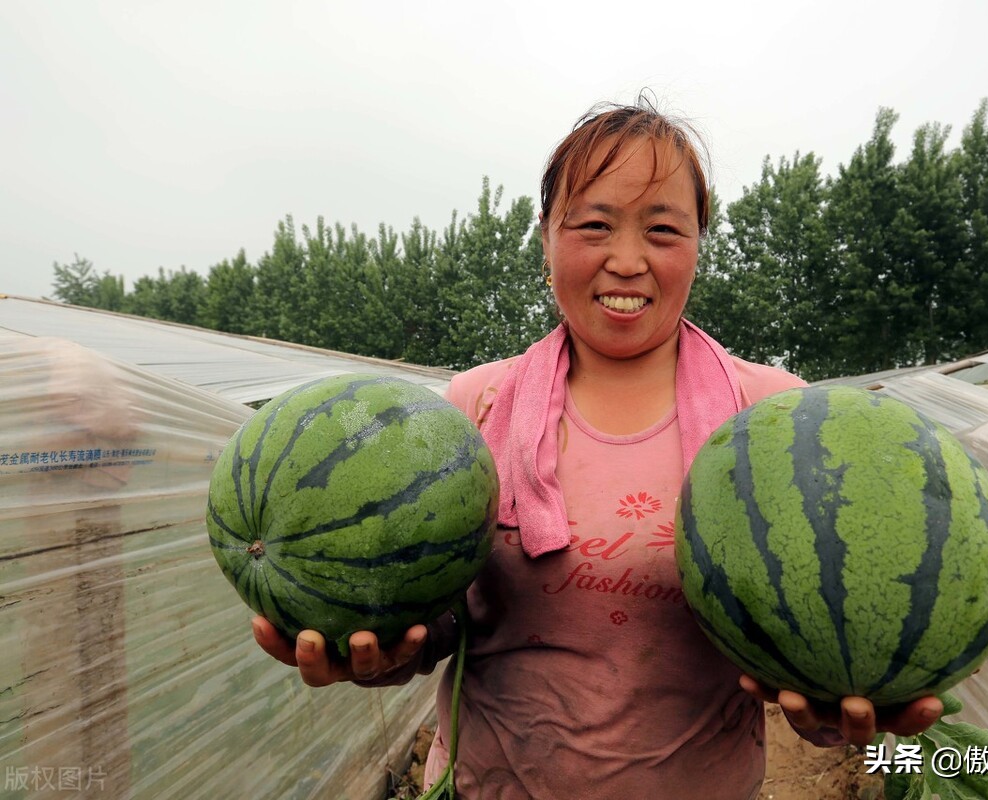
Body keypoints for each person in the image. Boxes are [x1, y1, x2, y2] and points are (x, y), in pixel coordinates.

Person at [253, 99, 942, 798]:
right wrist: (387, 650)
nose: (627, 260)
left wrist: (841, 697)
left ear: (700, 243)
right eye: (594, 226)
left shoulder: (772, 416)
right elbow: (437, 608)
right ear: (546, 237)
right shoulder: (474, 410)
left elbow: (813, 618)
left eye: (664, 230)